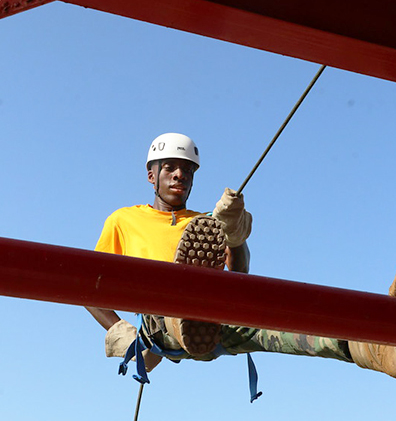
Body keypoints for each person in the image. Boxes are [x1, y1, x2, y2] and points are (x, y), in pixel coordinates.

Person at [87, 133, 396, 396]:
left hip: (217, 317)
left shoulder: (204, 223)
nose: (180, 175)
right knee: (172, 306)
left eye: (187, 170)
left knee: (292, 323)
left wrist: (234, 235)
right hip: (159, 323)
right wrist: (118, 329)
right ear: (151, 175)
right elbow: (90, 286)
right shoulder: (124, 220)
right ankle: (183, 315)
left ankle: (378, 346)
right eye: (169, 168)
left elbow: (239, 277)